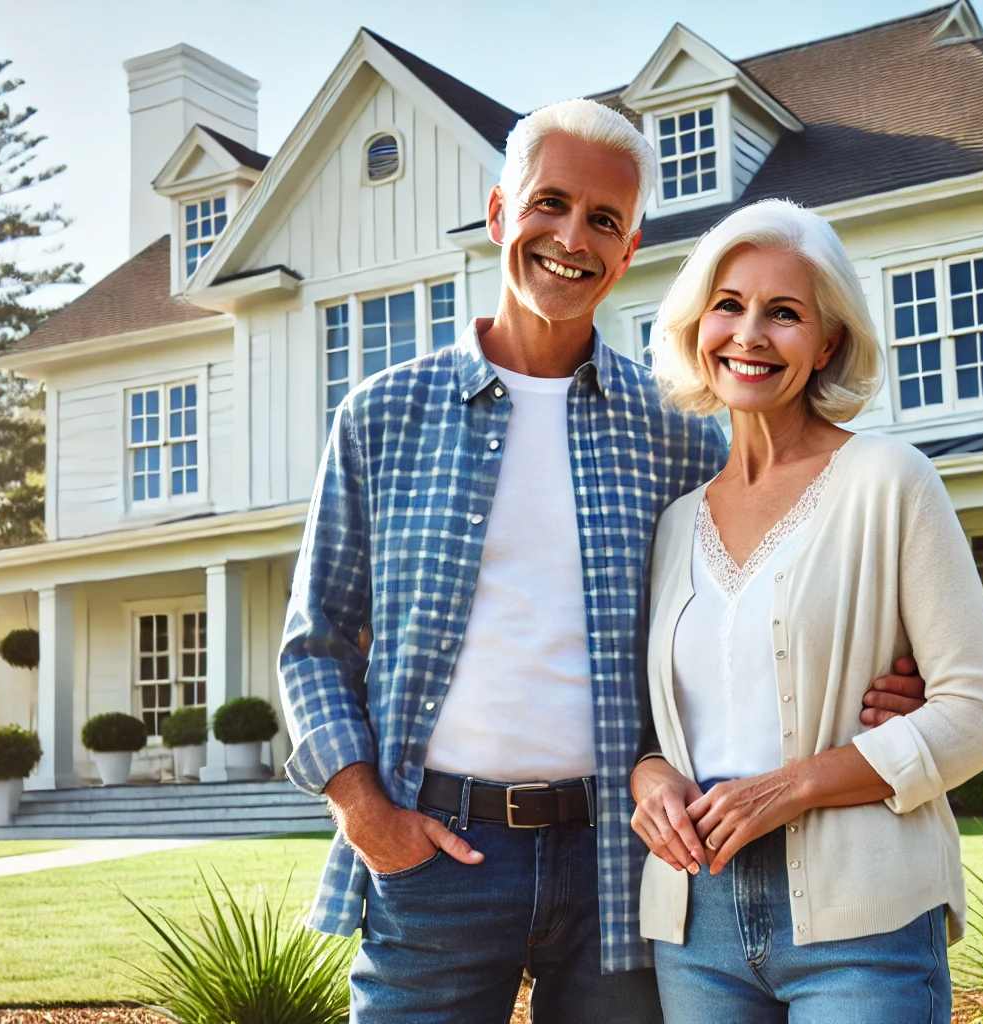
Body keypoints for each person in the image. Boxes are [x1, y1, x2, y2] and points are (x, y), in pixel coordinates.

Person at [278, 101, 928, 1024]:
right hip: (436, 853)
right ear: (500, 213)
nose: (571, 237)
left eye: (604, 221)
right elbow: (316, 643)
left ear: (627, 255)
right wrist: (366, 815)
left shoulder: (677, 430)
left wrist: (885, 683)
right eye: (550, 204)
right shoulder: (383, 416)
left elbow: (750, 593)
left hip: (625, 861)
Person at [630, 200, 983, 1024]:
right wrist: (650, 773)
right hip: (693, 923)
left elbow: (981, 713)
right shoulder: (673, 525)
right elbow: (665, 727)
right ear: (699, 324)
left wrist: (795, 787)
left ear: (828, 342)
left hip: (862, 918)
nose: (750, 335)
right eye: (729, 306)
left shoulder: (890, 481)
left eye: (784, 314)